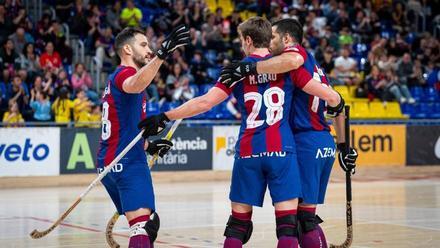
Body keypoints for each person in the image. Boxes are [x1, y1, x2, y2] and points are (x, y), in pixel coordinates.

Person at [139, 17, 303, 248]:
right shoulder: (285, 64)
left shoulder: (236, 71)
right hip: (282, 150)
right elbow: (299, 65)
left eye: (240, 40)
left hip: (248, 151)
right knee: (287, 227)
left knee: (238, 226)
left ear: (248, 40)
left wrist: (165, 116)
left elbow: (205, 102)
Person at [219, 18, 358, 248]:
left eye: (273, 37)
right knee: (307, 217)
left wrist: (249, 67)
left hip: (303, 141)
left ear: (286, 39)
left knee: (301, 222)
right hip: (323, 140)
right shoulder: (314, 65)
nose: (269, 42)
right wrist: (344, 145)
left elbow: (291, 59)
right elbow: (338, 102)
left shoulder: (293, 57)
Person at [96, 25, 190, 248]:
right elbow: (134, 84)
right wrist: (162, 54)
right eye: (144, 45)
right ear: (127, 49)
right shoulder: (126, 75)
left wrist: (149, 146)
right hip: (126, 162)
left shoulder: (114, 80)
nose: (149, 49)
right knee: (142, 226)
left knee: (148, 224)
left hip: (109, 163)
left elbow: (126, 126)